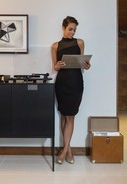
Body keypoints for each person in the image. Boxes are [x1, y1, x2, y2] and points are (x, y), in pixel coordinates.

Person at [51, 16, 91, 164]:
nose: (72, 32)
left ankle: (64, 151)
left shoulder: (80, 42)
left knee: (70, 117)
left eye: (74, 30)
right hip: (62, 83)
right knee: (63, 116)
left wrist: (86, 65)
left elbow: (83, 63)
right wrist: (58, 65)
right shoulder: (55, 46)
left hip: (75, 83)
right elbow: (54, 67)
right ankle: (68, 150)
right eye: (70, 29)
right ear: (63, 28)